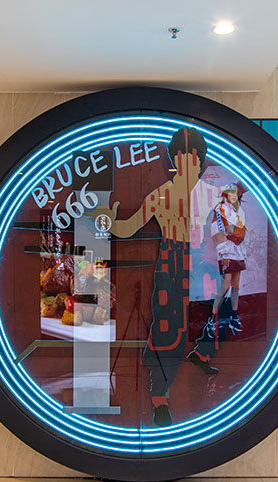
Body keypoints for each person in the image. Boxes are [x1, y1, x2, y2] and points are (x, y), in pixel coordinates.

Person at [92, 127, 207, 427]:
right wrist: (108, 221)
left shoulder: (208, 194)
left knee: (204, 319)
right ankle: (159, 398)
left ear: (197, 160)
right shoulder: (162, 195)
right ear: (178, 159)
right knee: (167, 329)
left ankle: (200, 360)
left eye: (192, 157)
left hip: (199, 266)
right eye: (183, 156)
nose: (188, 162)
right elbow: (128, 228)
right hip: (172, 264)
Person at [187, 183, 246, 374]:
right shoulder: (220, 213)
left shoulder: (233, 213)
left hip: (222, 264)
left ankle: (202, 354)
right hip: (215, 266)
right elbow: (219, 235)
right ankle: (202, 353)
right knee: (220, 310)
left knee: (224, 312)